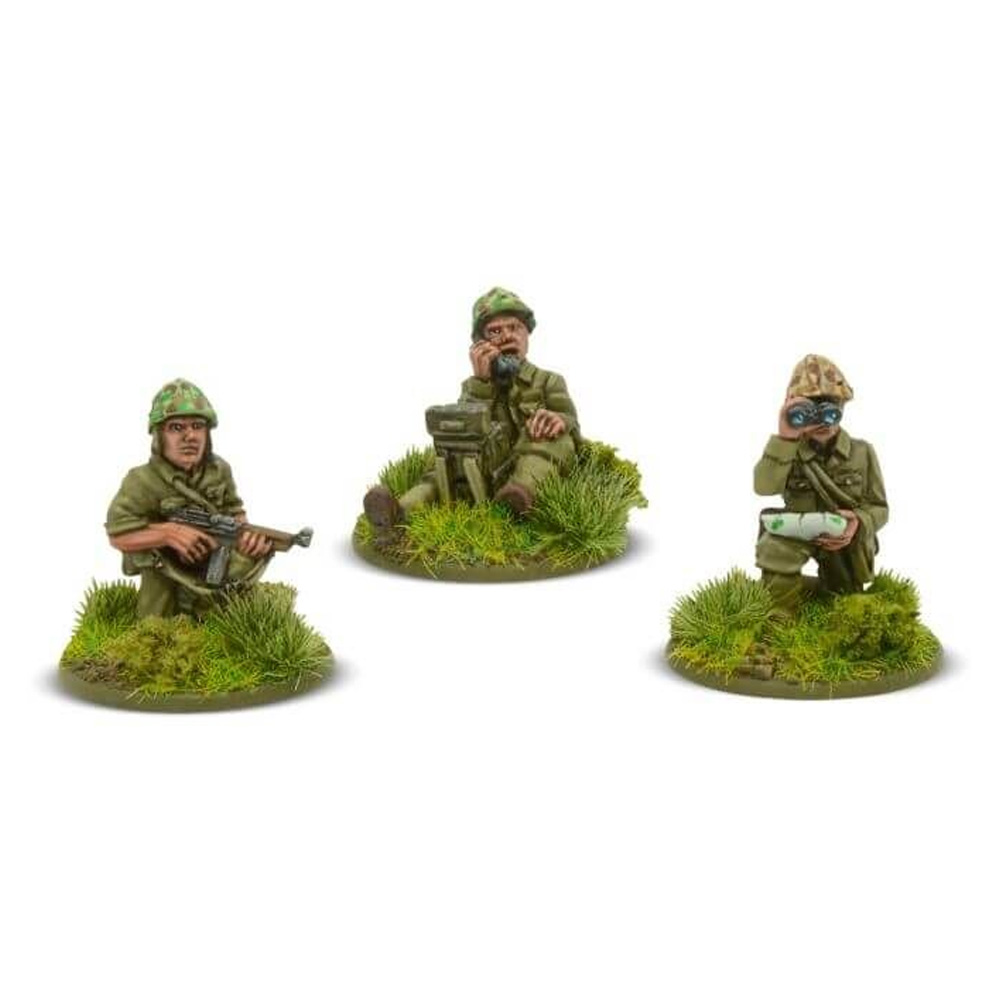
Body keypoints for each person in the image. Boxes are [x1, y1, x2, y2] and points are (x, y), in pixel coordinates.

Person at [364, 287, 580, 531]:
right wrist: (482, 383)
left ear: (527, 334)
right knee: (444, 464)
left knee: (550, 439)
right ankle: (398, 512)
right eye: (495, 331)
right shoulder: (474, 386)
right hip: (491, 464)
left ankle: (517, 499)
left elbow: (571, 425)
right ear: (480, 343)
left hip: (532, 463)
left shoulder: (549, 381)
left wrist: (558, 420)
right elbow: (467, 428)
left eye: (515, 328)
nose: (507, 336)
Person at [105, 379, 273, 618]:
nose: (190, 436)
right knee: (155, 625)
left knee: (239, 582)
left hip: (212, 556)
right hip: (165, 569)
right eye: (176, 427)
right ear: (159, 435)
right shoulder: (141, 480)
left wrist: (246, 539)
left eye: (198, 426)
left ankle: (212, 616)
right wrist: (168, 534)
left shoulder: (219, 470)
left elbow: (235, 511)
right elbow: (118, 534)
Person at [754, 354, 888, 609]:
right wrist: (785, 438)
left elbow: (880, 508)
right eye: (808, 412)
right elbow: (763, 487)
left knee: (843, 598)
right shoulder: (787, 451)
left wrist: (858, 522)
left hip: (841, 539)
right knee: (776, 556)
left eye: (830, 409)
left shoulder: (862, 452)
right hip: (795, 531)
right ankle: (780, 620)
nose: (821, 422)